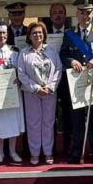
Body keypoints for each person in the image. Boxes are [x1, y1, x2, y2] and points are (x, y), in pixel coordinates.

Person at [60, 0, 93, 164]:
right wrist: (71, 61)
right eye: (82, 13)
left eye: (89, 13)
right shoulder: (70, 34)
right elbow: (63, 54)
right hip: (77, 82)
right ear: (77, 14)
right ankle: (76, 152)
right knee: (77, 120)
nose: (86, 16)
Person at [18, 22, 62, 165]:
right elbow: (21, 74)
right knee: (33, 123)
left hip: (49, 92)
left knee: (48, 122)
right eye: (34, 33)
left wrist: (50, 87)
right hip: (31, 93)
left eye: (40, 32)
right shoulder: (24, 53)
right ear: (29, 36)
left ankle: (48, 152)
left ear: (44, 35)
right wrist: (36, 88)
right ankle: (35, 153)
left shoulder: (51, 51)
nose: (38, 35)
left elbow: (58, 70)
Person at [0, 22, 25, 163]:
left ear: (7, 35)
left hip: (12, 93)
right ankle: (0, 152)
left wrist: (20, 79)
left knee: (12, 121)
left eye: (4, 33)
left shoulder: (15, 52)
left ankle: (13, 151)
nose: (1, 35)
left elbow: (21, 70)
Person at [47, 3, 72, 155]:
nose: (58, 15)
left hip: (68, 78)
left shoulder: (72, 33)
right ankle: (51, 147)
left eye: (61, 12)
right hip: (49, 79)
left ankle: (68, 147)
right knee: (50, 114)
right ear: (50, 16)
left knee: (68, 114)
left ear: (65, 15)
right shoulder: (44, 33)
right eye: (55, 13)